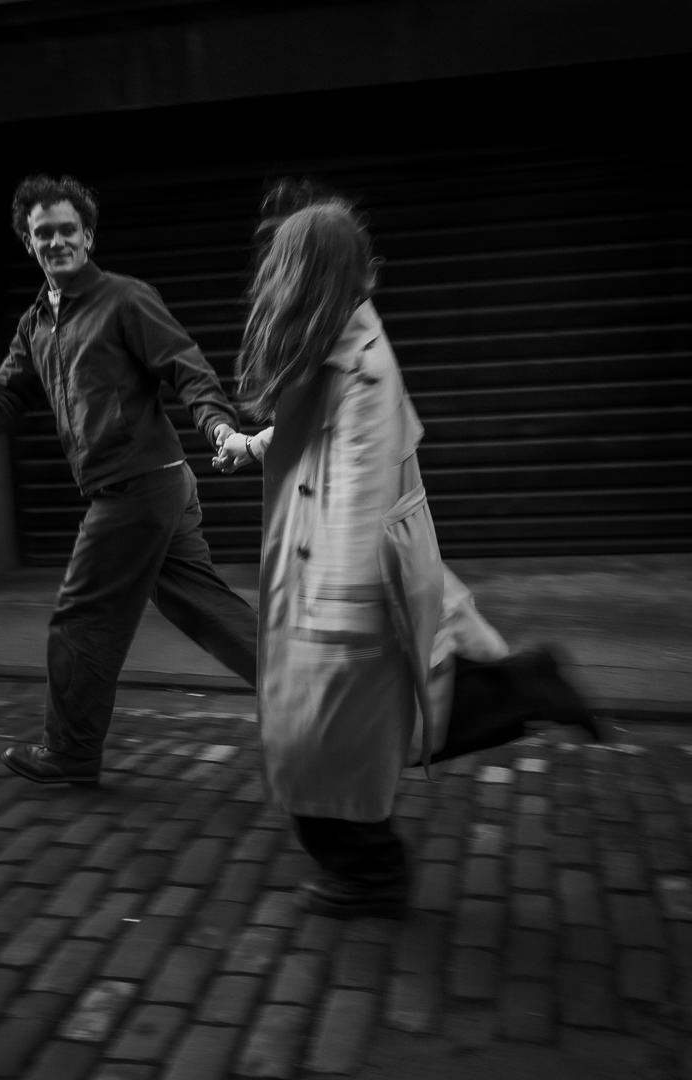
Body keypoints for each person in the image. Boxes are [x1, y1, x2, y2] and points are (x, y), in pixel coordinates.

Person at [214, 179, 601, 920]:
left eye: (283, 269)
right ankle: (521, 693)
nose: (271, 283)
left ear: (312, 277)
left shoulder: (361, 365)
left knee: (331, 735)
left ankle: (372, 870)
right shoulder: (339, 340)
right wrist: (255, 444)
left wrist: (330, 617)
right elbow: (314, 437)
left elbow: (357, 485)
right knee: (372, 724)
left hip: (346, 584)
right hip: (328, 574)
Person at [0, 173, 257, 785]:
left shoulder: (126, 299)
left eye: (67, 230)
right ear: (27, 240)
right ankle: (319, 694)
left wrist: (220, 431)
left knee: (82, 618)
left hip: (139, 484)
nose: (56, 242)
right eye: (42, 232)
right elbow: (4, 394)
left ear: (88, 235)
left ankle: (70, 753)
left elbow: (188, 369)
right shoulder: (35, 324)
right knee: (205, 608)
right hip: (149, 488)